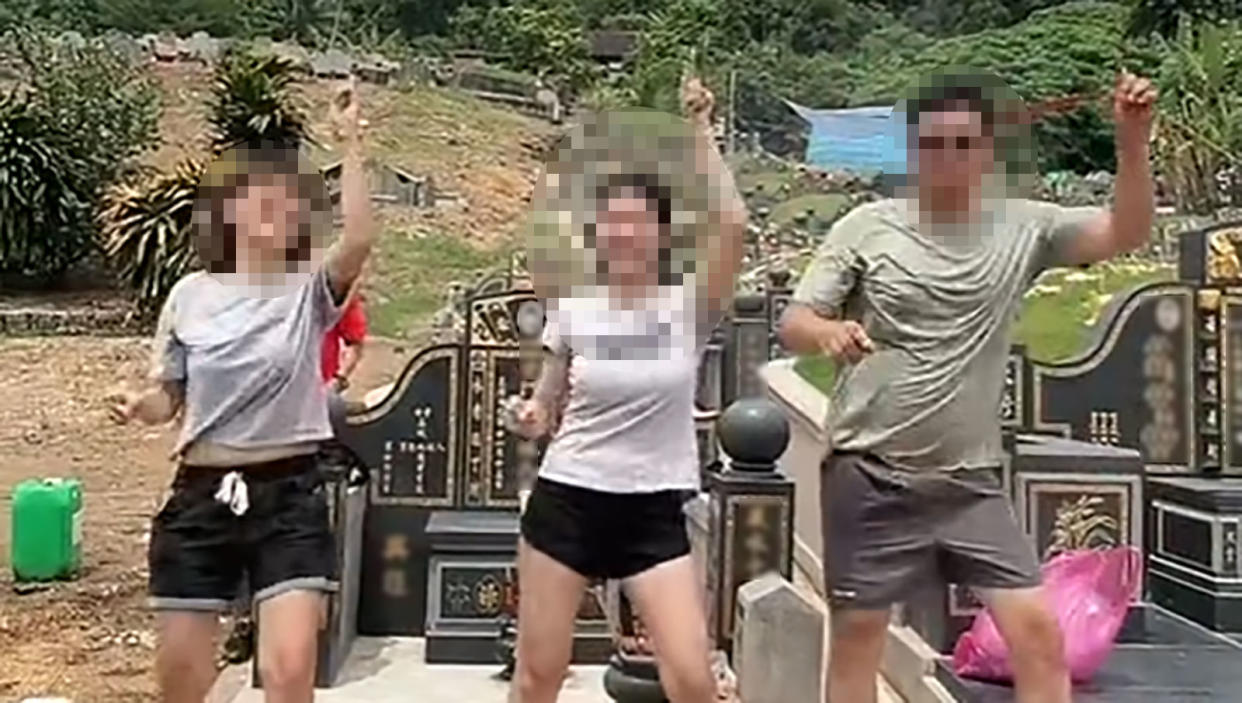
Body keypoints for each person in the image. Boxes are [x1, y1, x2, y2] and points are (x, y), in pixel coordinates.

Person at [778, 70, 1157, 703]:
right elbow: (795, 321)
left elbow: (1127, 232)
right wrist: (829, 334)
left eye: (962, 144)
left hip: (970, 481)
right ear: (911, 150)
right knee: (857, 637)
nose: (946, 157)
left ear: (987, 152)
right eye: (932, 143)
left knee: (1038, 635)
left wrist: (1132, 143)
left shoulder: (1025, 226)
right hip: (870, 472)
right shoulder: (867, 226)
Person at [107, 81, 373, 703]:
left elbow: (357, 240)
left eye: (286, 205)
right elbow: (168, 397)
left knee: (287, 675)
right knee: (182, 679)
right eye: (259, 201)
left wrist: (352, 141)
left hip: (290, 497)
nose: (274, 213)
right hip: (201, 500)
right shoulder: (190, 295)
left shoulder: (308, 291)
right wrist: (136, 405)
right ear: (228, 213)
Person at [507, 76, 746, 703]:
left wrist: (701, 131)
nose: (624, 233)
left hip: (652, 507)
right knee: (538, 676)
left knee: (693, 679)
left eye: (638, 222)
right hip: (569, 500)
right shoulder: (576, 308)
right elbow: (548, 399)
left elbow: (733, 223)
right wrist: (532, 413)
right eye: (612, 222)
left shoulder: (688, 309)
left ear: (662, 234)